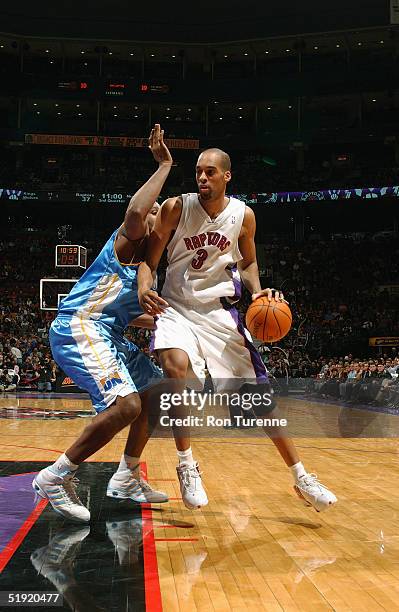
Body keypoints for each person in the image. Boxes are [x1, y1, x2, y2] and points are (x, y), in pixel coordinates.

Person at [138, 147, 337, 512]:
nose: (202, 178)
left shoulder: (243, 216)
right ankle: (186, 465)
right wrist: (143, 288)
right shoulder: (175, 208)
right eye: (199, 171)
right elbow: (149, 264)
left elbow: (248, 262)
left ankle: (302, 477)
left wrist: (258, 289)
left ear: (226, 176)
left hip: (220, 314)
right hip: (177, 308)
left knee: (257, 401)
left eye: (210, 172)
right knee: (175, 368)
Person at [33, 125, 173, 523]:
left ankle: (127, 476)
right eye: (153, 209)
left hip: (108, 333)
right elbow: (133, 211)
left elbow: (144, 317)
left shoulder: (149, 268)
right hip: (80, 325)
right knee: (126, 405)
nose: (153, 213)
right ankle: (57, 475)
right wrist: (164, 164)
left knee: (155, 392)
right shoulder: (127, 242)